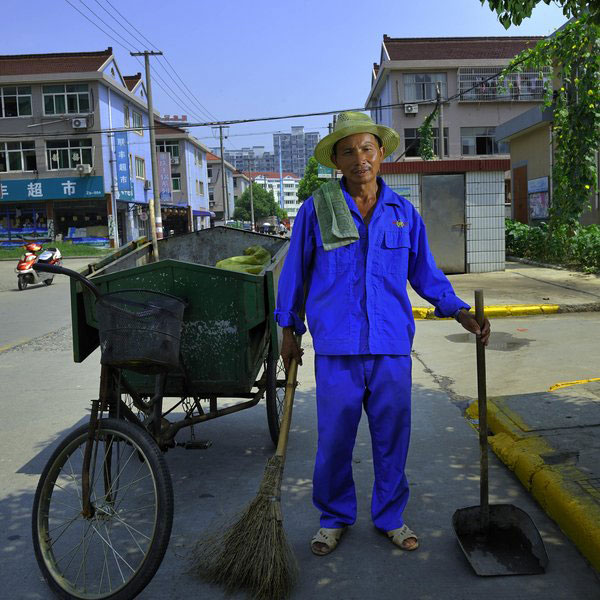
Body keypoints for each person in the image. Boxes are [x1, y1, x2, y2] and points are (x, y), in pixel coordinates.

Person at [274, 111, 490, 557]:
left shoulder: (402, 214)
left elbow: (425, 274)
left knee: (392, 438)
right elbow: (295, 272)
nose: (360, 159)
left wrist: (459, 311)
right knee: (334, 439)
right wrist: (288, 327)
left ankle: (389, 516)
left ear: (382, 153)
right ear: (336, 159)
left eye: (367, 148)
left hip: (390, 345)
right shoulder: (318, 209)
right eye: (348, 151)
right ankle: (333, 517)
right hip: (337, 347)